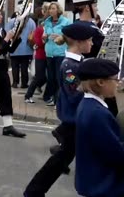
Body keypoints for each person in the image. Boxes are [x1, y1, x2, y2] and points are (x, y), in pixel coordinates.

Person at [23, 21, 95, 197]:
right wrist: (94, 88)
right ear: (79, 42)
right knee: (60, 160)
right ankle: (33, 191)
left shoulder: (78, 62)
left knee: (63, 159)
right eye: (90, 40)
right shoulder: (69, 65)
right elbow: (74, 95)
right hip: (73, 119)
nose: (92, 44)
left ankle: (34, 191)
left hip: (75, 120)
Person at [74, 58, 124, 197]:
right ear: (101, 82)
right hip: (103, 186)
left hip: (93, 182)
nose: (118, 83)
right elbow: (116, 153)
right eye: (115, 79)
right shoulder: (97, 114)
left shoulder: (87, 105)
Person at [42, 2, 71, 106]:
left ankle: (59, 101)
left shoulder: (66, 22)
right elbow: (44, 36)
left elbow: (69, 37)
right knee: (51, 78)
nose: (51, 11)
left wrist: (59, 36)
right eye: (50, 9)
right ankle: (53, 99)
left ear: (58, 10)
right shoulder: (46, 22)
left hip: (60, 53)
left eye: (53, 8)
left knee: (59, 78)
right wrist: (44, 38)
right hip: (49, 53)